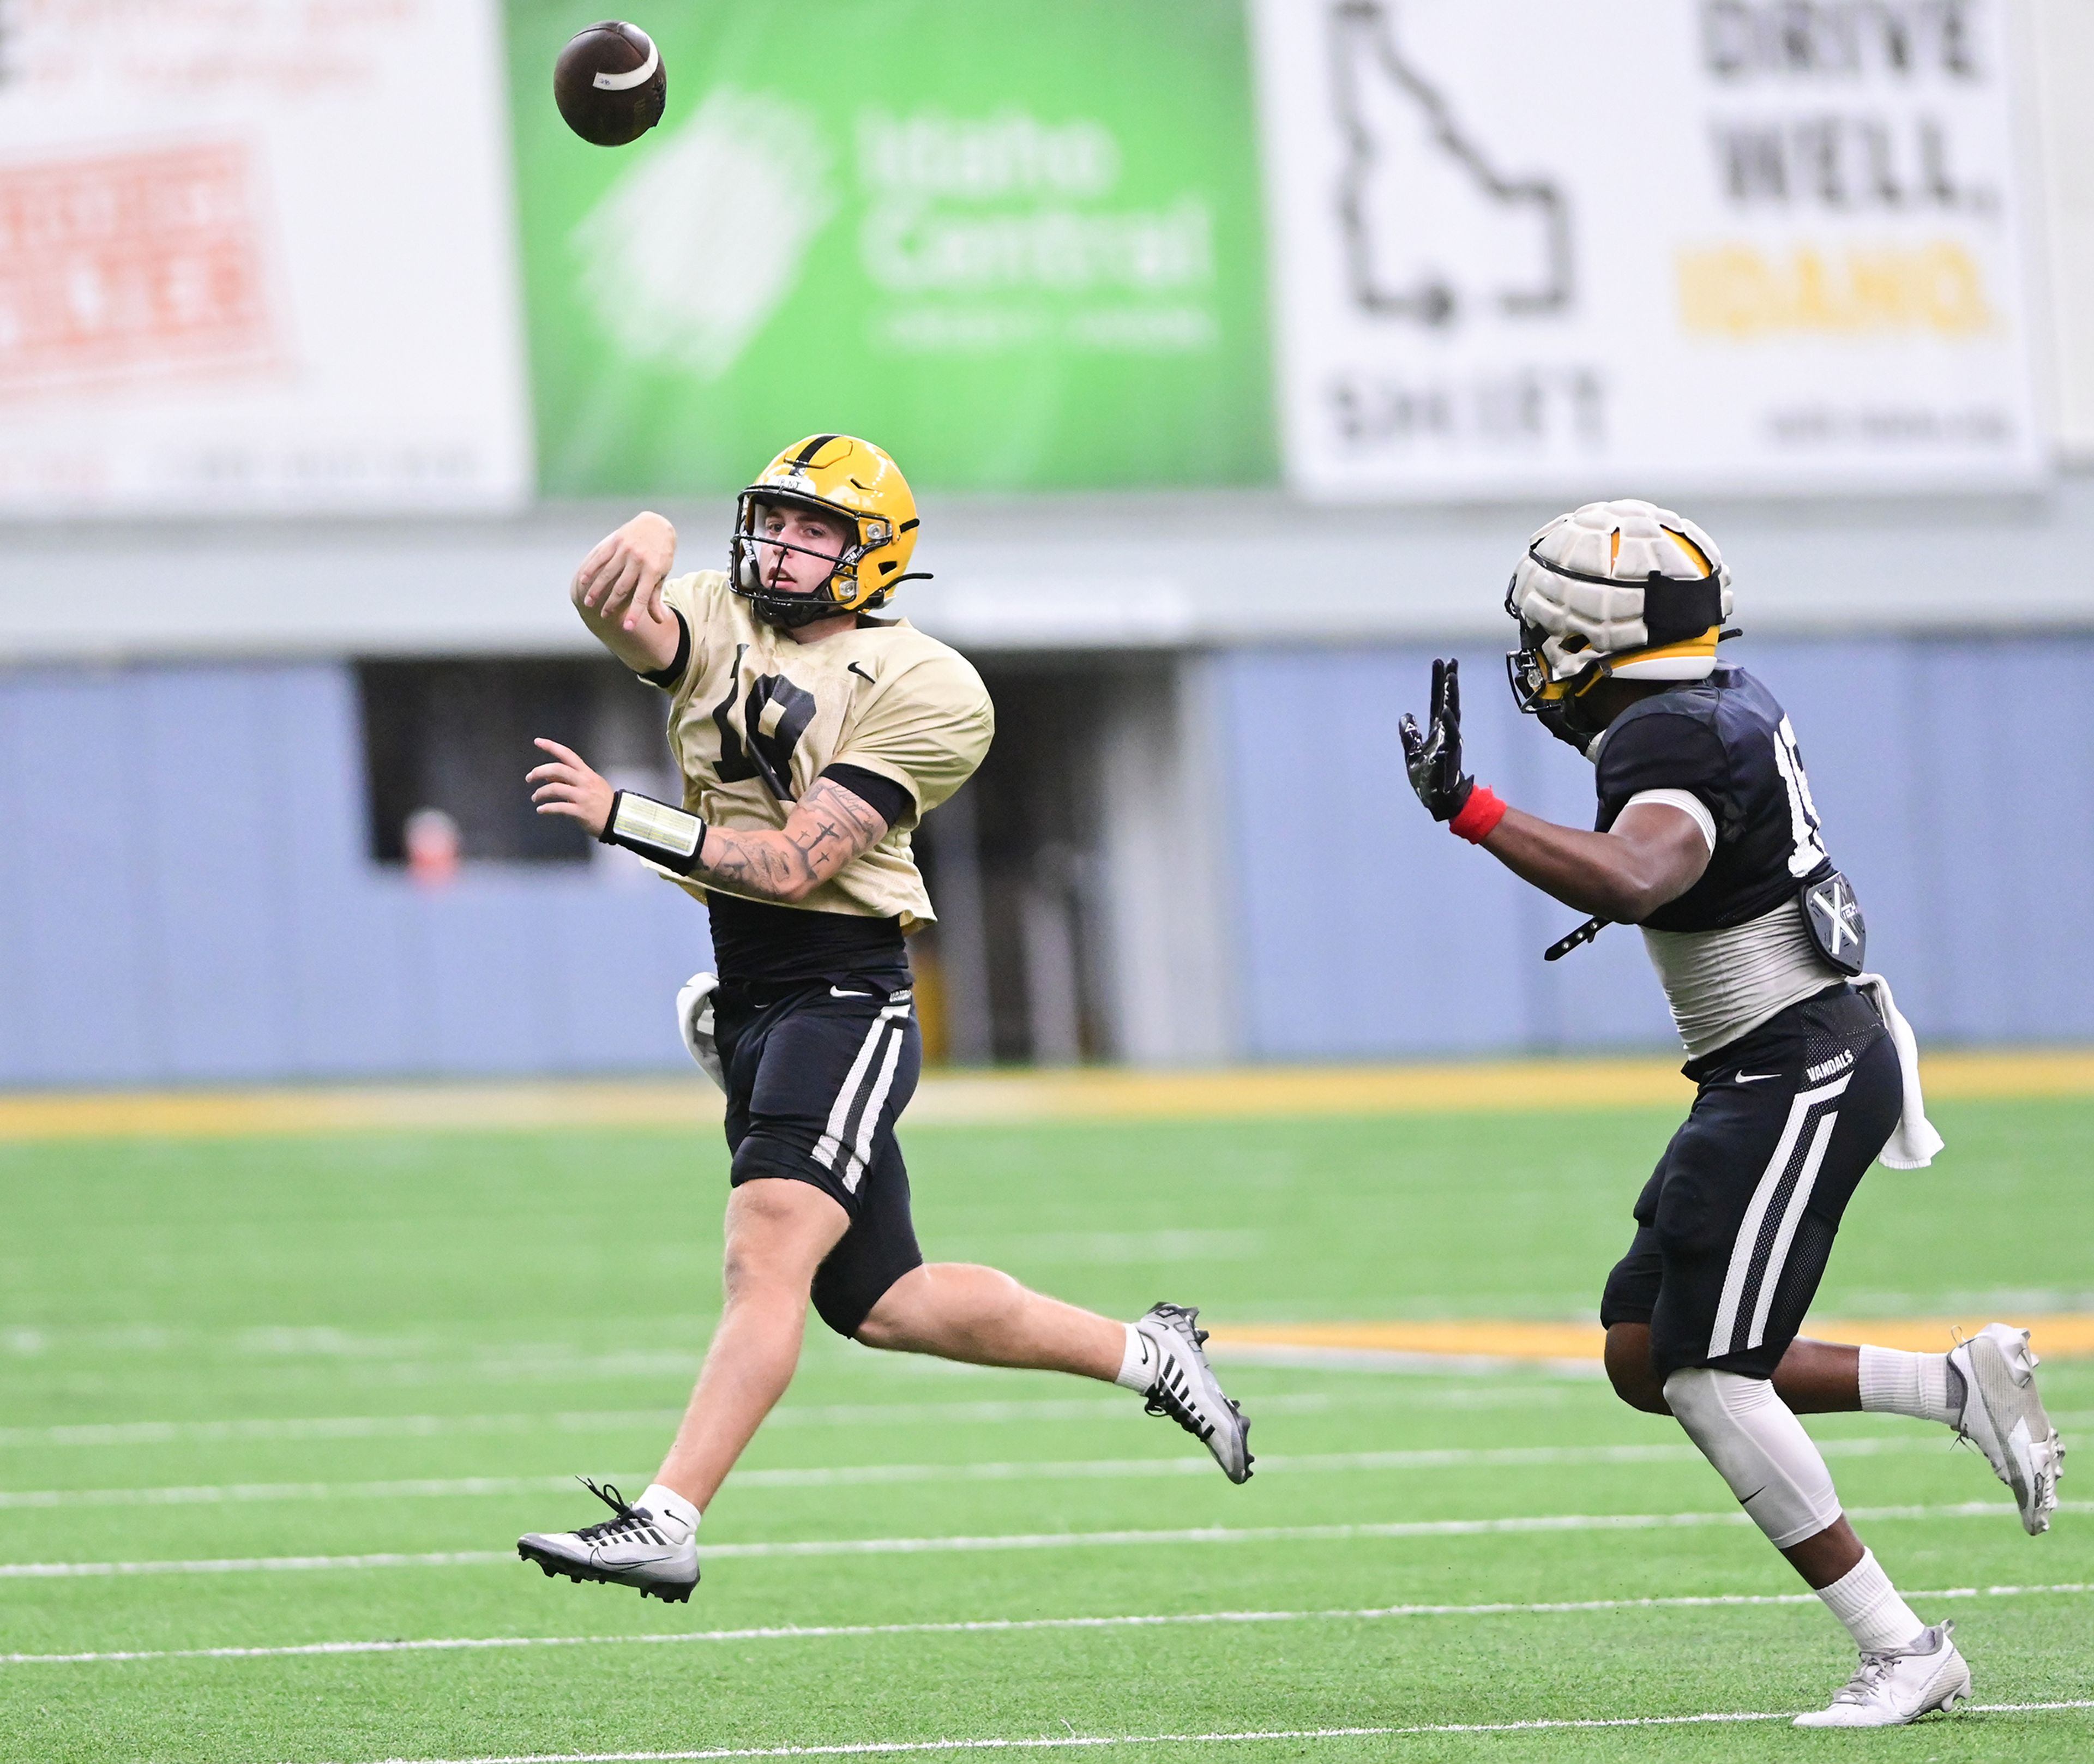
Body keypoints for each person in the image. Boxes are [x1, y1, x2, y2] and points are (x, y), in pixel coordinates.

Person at [513, 434, 1251, 1604]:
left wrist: (627, 819)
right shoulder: (717, 611)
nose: (781, 545)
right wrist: (642, 533)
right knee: (885, 1302)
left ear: (875, 558)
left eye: (816, 531)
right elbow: (623, 614)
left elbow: (800, 863)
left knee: (763, 1250)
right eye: (773, 519)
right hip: (752, 991)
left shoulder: (930, 686)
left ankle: (667, 1518)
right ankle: (1146, 1353)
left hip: (841, 990)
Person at [1398, 498, 2063, 1729]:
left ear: (1594, 640)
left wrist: (1474, 811)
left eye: (1548, 636)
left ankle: (1906, 1647)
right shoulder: (1718, 700)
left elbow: (1645, 872)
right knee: (1644, 1351)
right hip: (1788, 1055)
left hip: (1795, 1062)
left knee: (1706, 1374)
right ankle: (1954, 1386)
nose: (1537, 664)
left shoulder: (1666, 738)